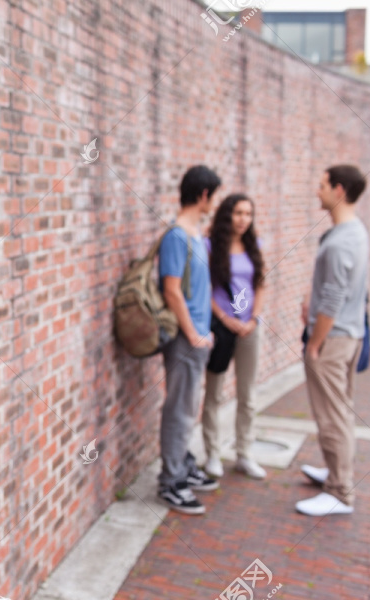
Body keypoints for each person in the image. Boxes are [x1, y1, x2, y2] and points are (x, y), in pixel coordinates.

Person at [296, 165, 369, 517]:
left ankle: (340, 492)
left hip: (333, 339)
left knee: (333, 416)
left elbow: (335, 296)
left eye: (322, 184)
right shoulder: (355, 232)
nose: (317, 190)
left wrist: (315, 342)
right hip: (349, 335)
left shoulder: (341, 240)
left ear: (339, 190)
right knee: (339, 411)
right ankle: (335, 474)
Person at [156, 165, 221, 515]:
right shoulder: (177, 237)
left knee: (187, 407)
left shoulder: (194, 234)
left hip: (197, 337)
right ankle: (171, 482)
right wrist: (194, 333)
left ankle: (183, 464)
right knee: (179, 409)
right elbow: (171, 290)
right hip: (185, 340)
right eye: (215, 196)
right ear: (204, 195)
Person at [201, 194, 267, 480]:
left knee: (248, 395)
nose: (243, 219)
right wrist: (227, 319)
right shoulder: (211, 245)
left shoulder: (254, 246)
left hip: (250, 328)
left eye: (248, 214)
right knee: (214, 392)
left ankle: (244, 453)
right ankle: (213, 453)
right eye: (238, 213)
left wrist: (253, 319)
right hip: (221, 326)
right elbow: (206, 287)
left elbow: (261, 283)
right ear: (227, 215)